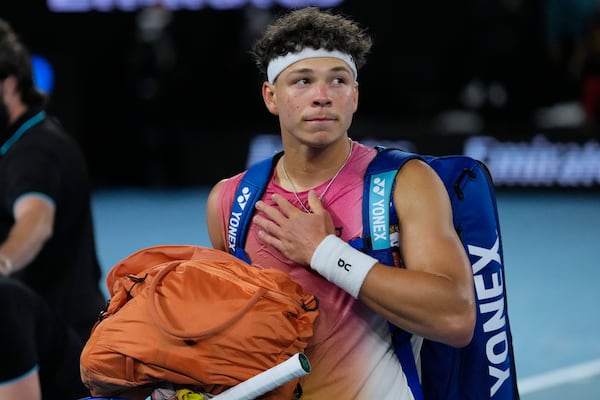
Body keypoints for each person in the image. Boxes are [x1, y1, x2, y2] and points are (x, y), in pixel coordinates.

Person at [206, 6, 476, 399]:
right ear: (271, 96)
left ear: (354, 96)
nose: (321, 97)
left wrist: (325, 252)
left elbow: (456, 317)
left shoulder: (405, 182)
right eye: (302, 81)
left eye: (338, 81)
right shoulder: (230, 201)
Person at [0, 18, 106, 399]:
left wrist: (2, 261)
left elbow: (35, 223)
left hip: (67, 349)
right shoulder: (16, 143)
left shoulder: (36, 151)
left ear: (9, 84)